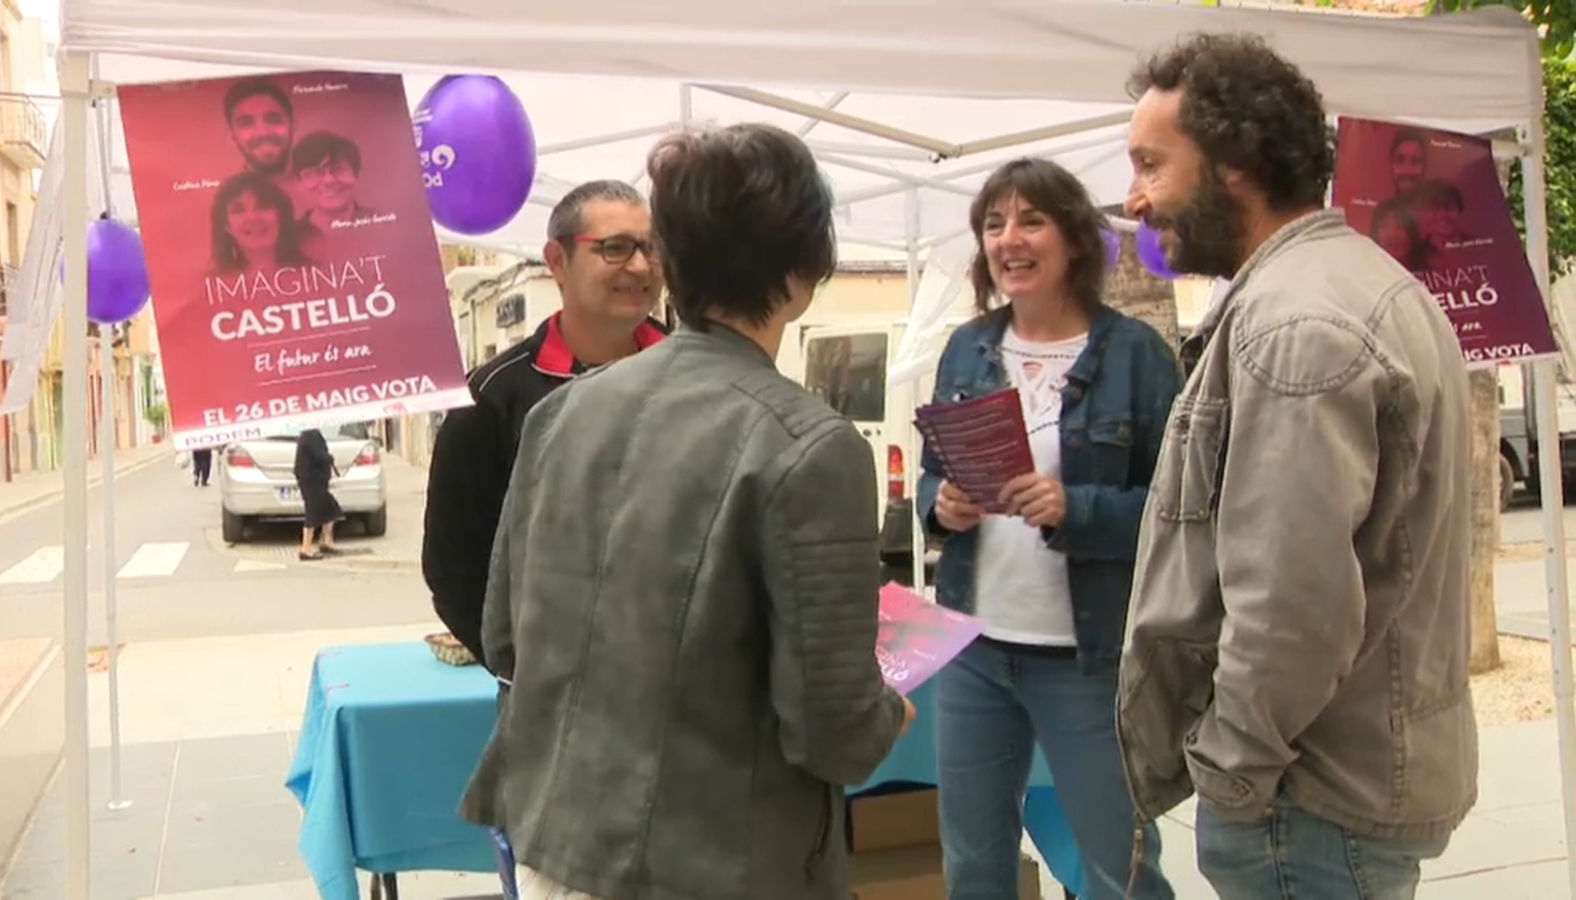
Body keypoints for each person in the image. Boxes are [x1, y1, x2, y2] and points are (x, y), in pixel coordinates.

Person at [459, 123, 913, 900]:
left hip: (554, 842)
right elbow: (832, 729)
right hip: (711, 863)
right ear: (805, 270)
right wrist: (890, 715)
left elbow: (504, 633)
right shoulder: (810, 444)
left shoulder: (562, 412)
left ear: (671, 260)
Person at [1118, 33, 1475, 900]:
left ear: (1236, 164)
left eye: (1152, 165)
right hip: (1336, 789)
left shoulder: (1295, 324)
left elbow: (1292, 605)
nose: (1134, 199)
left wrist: (1232, 775)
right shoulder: (1358, 285)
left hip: (1305, 804)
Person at [917, 158, 1179, 900]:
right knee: (973, 863)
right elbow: (932, 477)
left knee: (1120, 865)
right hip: (974, 648)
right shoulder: (967, 348)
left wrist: (1077, 508)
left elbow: (1181, 513)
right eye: (994, 224)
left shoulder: (1136, 355)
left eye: (1031, 221)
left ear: (1075, 239)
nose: (1009, 239)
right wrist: (941, 506)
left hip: (1086, 657)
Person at [421, 180, 667, 894]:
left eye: (650, 248)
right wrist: (525, 668)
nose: (640, 266)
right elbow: (453, 566)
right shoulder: (492, 398)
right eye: (613, 248)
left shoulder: (703, 378)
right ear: (557, 261)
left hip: (690, 704)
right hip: (554, 714)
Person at [291, 131, 375, 260]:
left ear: (356, 175)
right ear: (299, 184)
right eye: (315, 173)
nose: (329, 181)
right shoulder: (286, 240)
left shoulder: (384, 224)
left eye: (338, 169)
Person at [209, 172, 308, 274]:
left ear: (281, 217)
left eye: (263, 206)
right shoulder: (213, 281)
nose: (252, 217)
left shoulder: (312, 273)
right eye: (238, 210)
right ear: (227, 226)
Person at [223, 79, 295, 180]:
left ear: (292, 125)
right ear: (233, 136)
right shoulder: (228, 190)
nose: (263, 133)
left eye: (274, 120)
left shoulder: (316, 185)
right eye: (246, 124)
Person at [293, 428, 341, 561]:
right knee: (313, 513)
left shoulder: (310, 434)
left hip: (316, 481)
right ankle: (305, 548)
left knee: (331, 508)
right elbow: (319, 456)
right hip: (312, 481)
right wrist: (329, 458)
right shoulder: (310, 435)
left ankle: (326, 542)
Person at [1389, 128, 1429, 198]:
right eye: (1400, 161)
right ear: (1391, 165)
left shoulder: (1437, 204)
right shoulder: (1384, 206)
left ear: (1424, 166)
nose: (1407, 170)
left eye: (1415, 161)